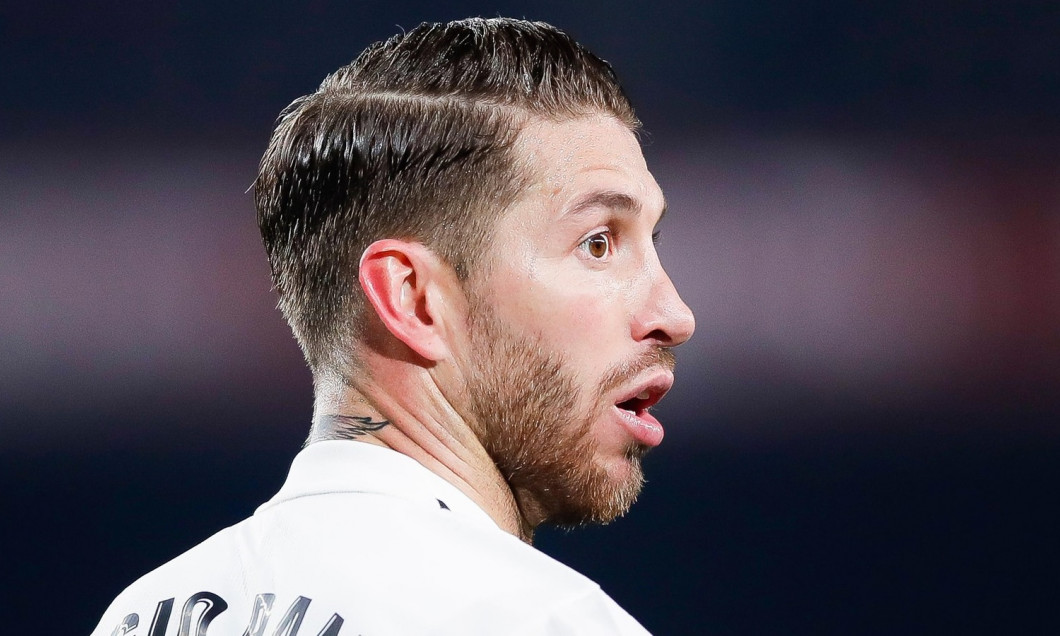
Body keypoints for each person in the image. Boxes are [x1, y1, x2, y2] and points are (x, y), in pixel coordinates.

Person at [92, 17, 694, 635]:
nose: (675, 316)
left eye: (651, 240)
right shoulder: (542, 620)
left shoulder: (137, 616)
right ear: (412, 298)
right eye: (598, 244)